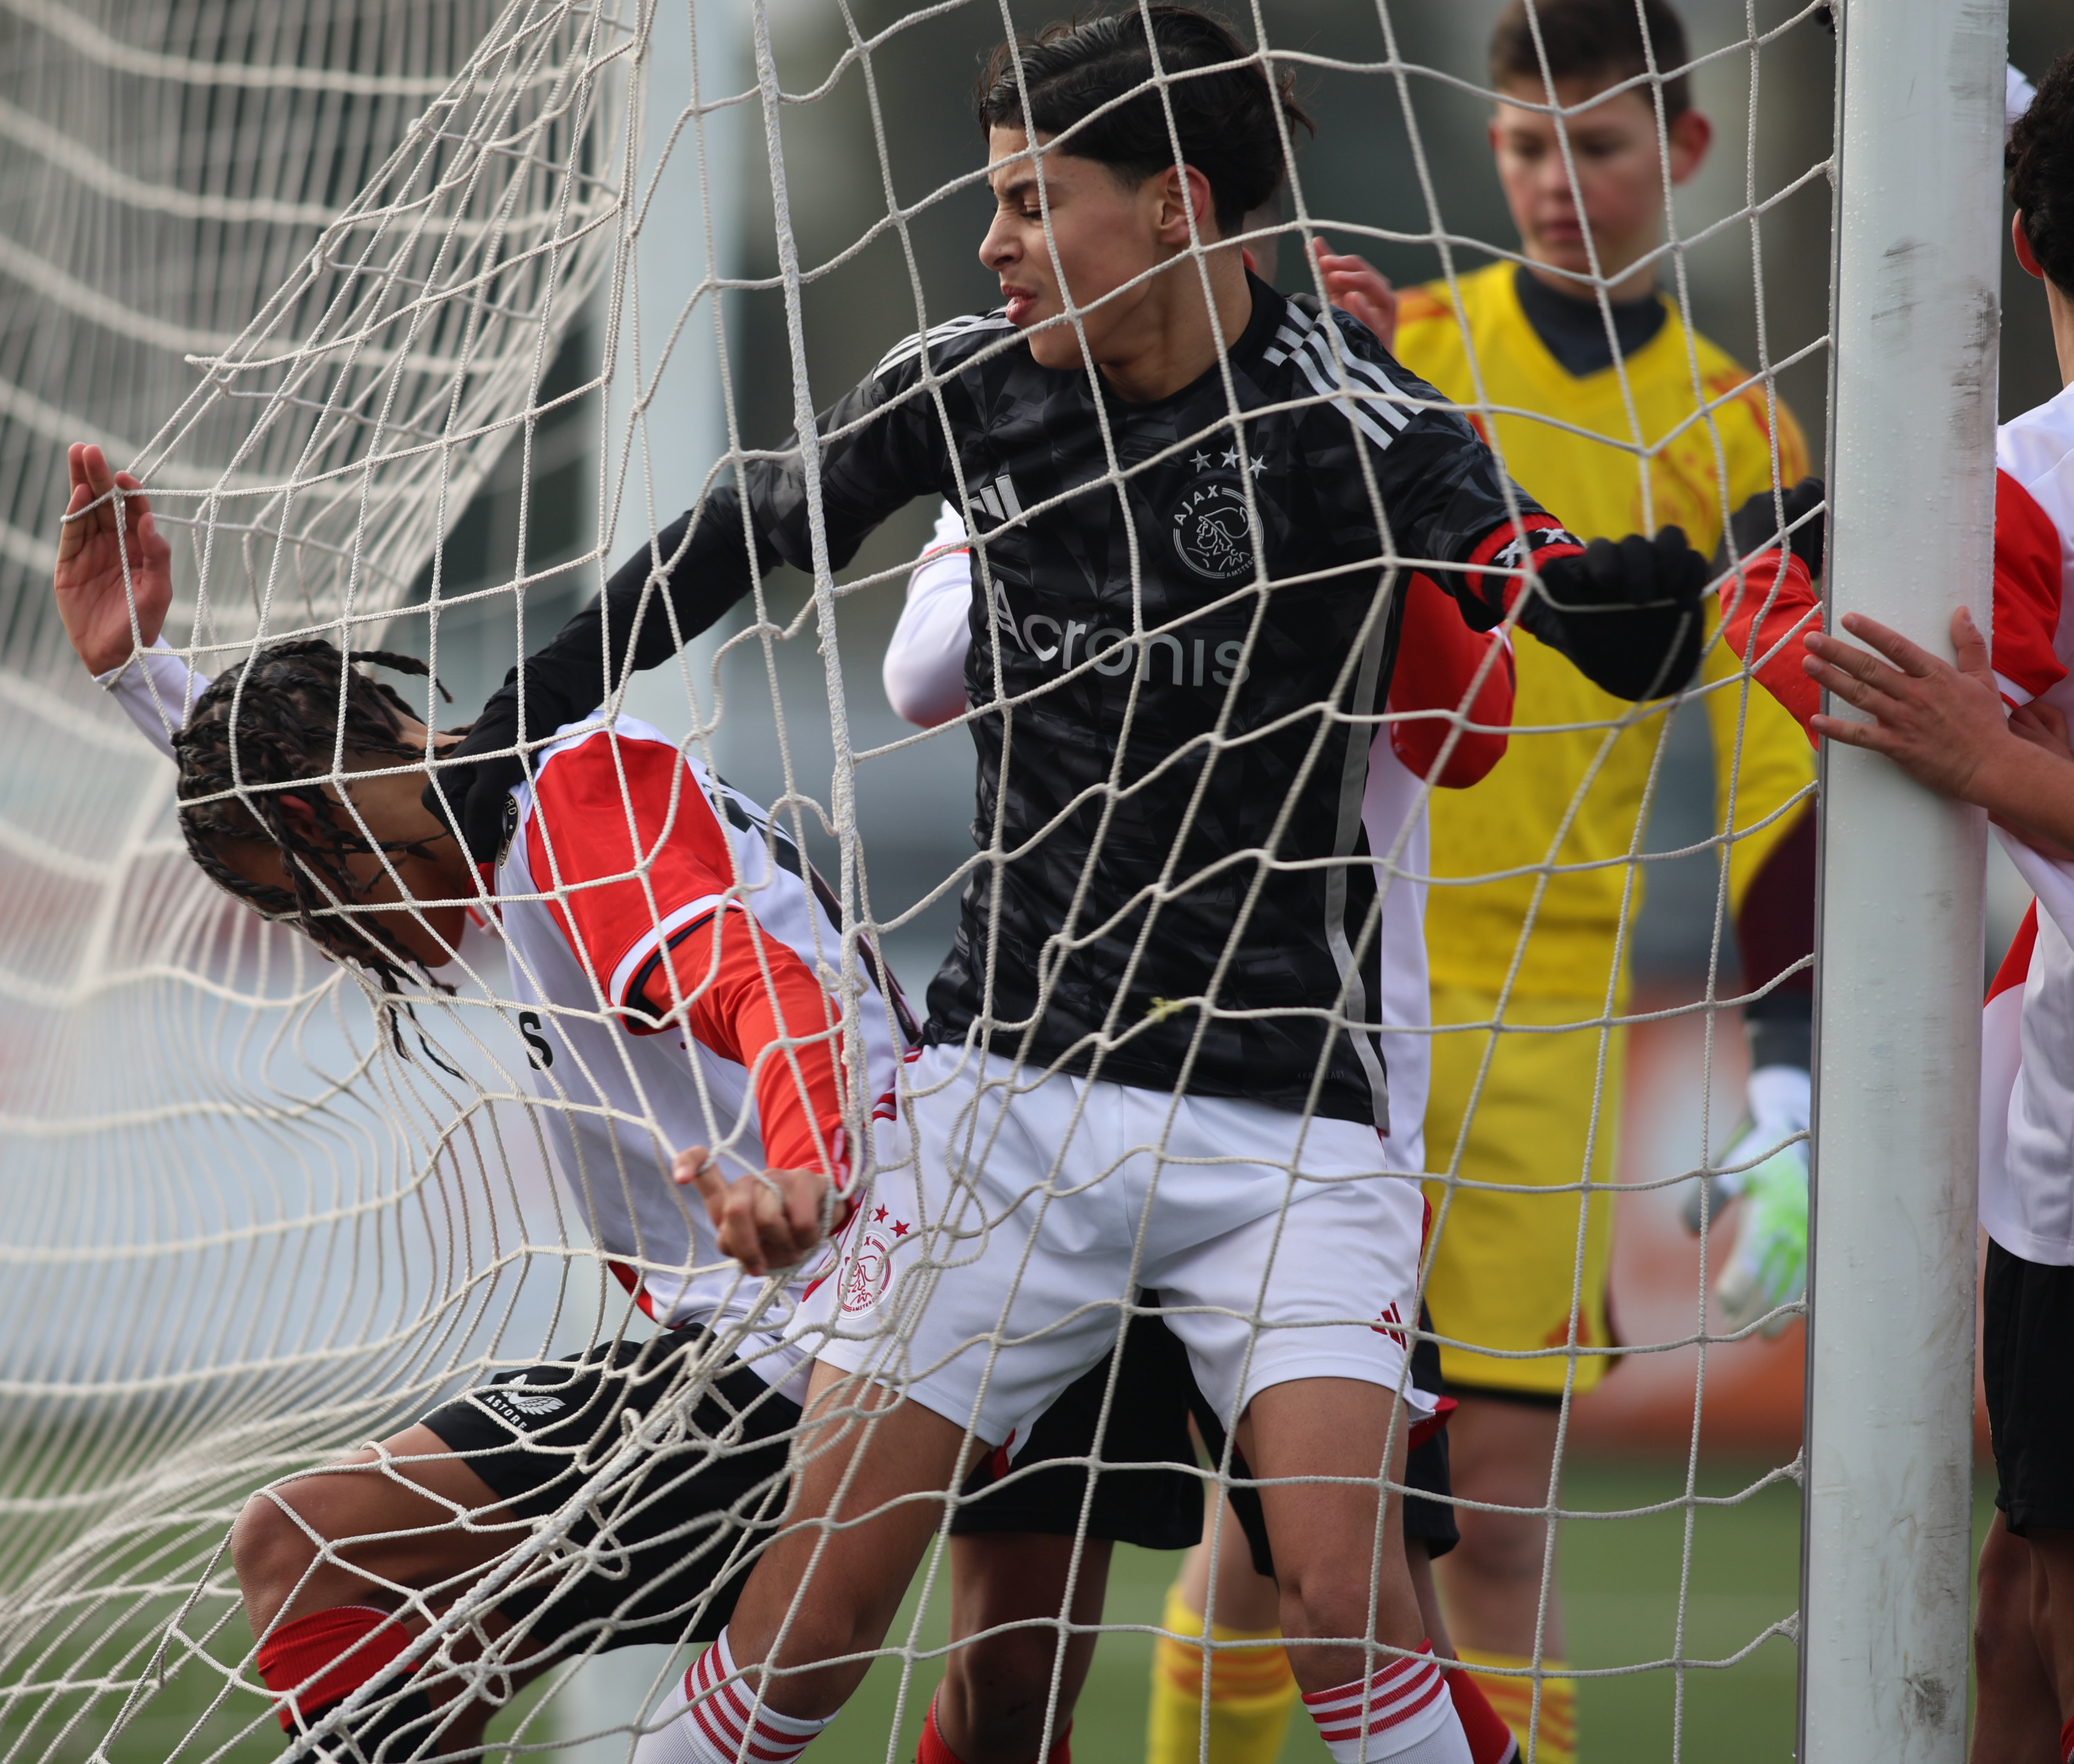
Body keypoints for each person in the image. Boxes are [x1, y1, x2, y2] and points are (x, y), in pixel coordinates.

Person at [422, 8, 1717, 1763]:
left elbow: (1517, 564)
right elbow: (738, 531)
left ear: (1176, 203)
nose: (992, 241)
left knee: (1346, 1602)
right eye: (995, 198)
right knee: (818, 1621)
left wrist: (1617, 609)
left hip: (1285, 1127)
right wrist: (511, 723)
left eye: (1033, 201)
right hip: (1007, 1108)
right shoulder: (975, 380)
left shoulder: (1356, 413)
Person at [49, 443, 1220, 1764]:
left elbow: (768, 991)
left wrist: (803, 1171)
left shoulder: (568, 809)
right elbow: (306, 789)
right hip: (965, 1232)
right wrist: (145, 677)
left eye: (317, 896)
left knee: (306, 1545)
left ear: (345, 816)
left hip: (828, 1302)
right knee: (1006, 1705)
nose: (333, 936)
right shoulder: (468, 812)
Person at [1271, 6, 1823, 1755]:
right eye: (1526, 145)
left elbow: (1779, 767)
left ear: (1685, 149)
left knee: (1498, 1536)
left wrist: (1789, 1070)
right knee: (1276, 1543)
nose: (1558, 182)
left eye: (1596, 145)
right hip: (1327, 1003)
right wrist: (1315, 381)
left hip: (1546, 1032)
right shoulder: (1410, 344)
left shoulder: (1742, 435)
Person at [883, 500, 1513, 1764]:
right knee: (1009, 1672)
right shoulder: (1022, 446)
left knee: (1372, 1620)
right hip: (1046, 1135)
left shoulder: (1376, 456)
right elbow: (922, 676)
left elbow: (1470, 735)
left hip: (1301, 1142)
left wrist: (1369, 496)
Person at [1724, 50, 2074, 1761]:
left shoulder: (2020, 491)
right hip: (2054, 1118)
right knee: (2014, 1595)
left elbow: (1860, 686)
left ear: (2017, 241)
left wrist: (1756, 587)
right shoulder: (2008, 490)